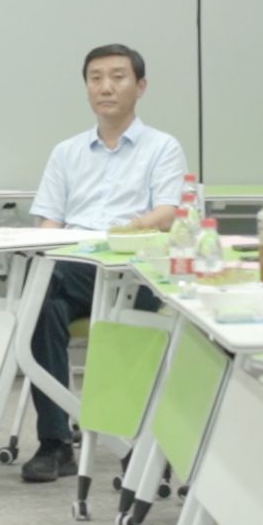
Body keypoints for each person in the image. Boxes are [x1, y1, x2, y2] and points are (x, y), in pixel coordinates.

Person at [24, 44, 185, 485]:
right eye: (95, 78)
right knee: (42, 305)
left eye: (117, 77)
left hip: (133, 270)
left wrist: (121, 234)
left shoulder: (162, 147)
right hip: (74, 269)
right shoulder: (66, 152)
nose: (105, 87)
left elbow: (166, 213)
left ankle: (129, 440)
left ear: (140, 86)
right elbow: (49, 221)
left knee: (46, 290)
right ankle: (55, 442)